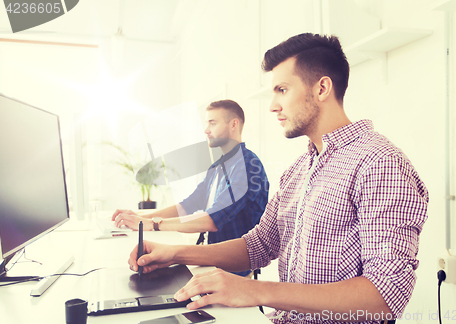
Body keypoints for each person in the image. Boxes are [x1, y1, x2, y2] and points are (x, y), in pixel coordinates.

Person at [127, 33, 429, 323]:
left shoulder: (379, 162)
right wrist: (175, 254)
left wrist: (255, 291)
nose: (272, 105)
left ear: (322, 88)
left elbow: (386, 296)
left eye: (282, 90)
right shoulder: (299, 169)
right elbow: (259, 245)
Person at [114, 100, 269, 277]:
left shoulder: (247, 165)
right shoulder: (218, 166)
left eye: (213, 123)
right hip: (212, 263)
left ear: (233, 124)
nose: (206, 130)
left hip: (234, 272)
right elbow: (188, 205)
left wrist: (154, 224)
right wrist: (139, 216)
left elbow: (212, 220)